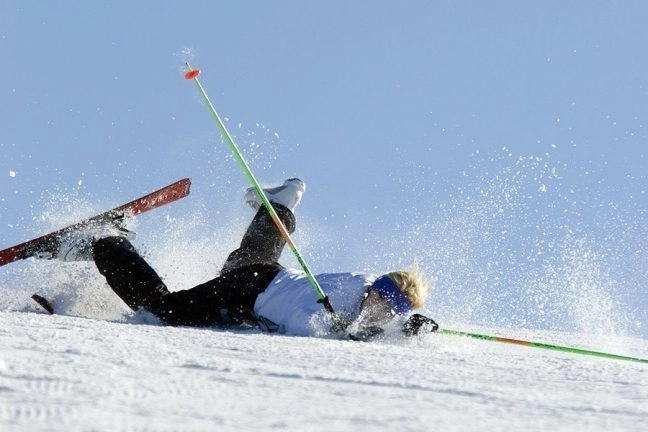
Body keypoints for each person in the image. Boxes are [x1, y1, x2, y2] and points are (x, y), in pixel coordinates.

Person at [47, 178, 438, 340]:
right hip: (249, 290)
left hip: (265, 281)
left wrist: (408, 328)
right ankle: (108, 241)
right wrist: (349, 329)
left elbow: (376, 322)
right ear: (376, 290)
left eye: (389, 313)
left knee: (251, 258)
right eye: (382, 303)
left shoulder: (371, 301)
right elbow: (309, 327)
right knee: (163, 312)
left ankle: (280, 205)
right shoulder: (350, 291)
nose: (379, 313)